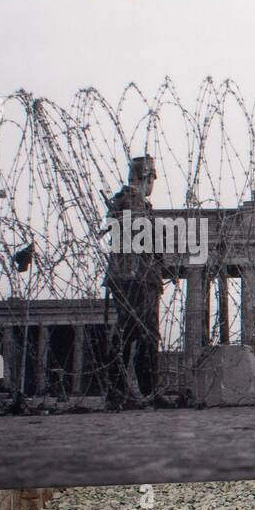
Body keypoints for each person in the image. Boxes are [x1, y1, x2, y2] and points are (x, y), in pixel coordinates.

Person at [103, 155, 162, 410]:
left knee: (133, 333)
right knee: (141, 334)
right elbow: (140, 237)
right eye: (151, 179)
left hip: (135, 276)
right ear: (146, 177)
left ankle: (123, 392)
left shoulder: (128, 201)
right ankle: (141, 392)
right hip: (135, 276)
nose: (152, 185)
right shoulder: (131, 200)